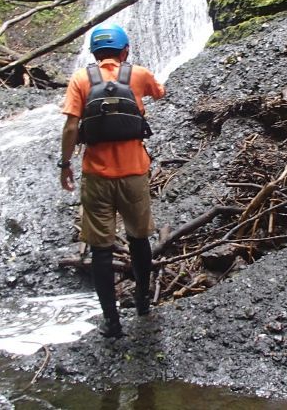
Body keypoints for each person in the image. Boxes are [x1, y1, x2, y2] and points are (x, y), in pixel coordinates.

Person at [59, 24, 165, 338]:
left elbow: (69, 128)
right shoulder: (139, 74)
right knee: (138, 238)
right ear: (125, 51)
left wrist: (65, 164)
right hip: (134, 172)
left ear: (93, 53)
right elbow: (160, 92)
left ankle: (112, 322)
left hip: (96, 174)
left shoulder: (80, 79)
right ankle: (143, 304)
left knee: (101, 247)